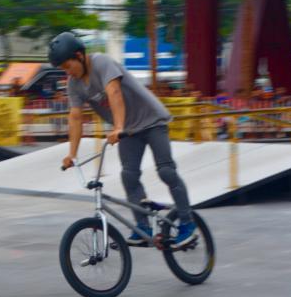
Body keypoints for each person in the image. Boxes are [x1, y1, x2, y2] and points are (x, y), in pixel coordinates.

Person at [48, 31, 195, 248]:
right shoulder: (74, 84)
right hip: (129, 130)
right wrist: (72, 154)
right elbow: (75, 117)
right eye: (63, 69)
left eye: (68, 66)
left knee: (166, 170)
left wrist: (118, 127)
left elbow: (114, 92)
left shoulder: (101, 63)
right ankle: (143, 227)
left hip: (152, 121)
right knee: (129, 176)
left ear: (79, 55)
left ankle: (187, 222)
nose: (67, 72)